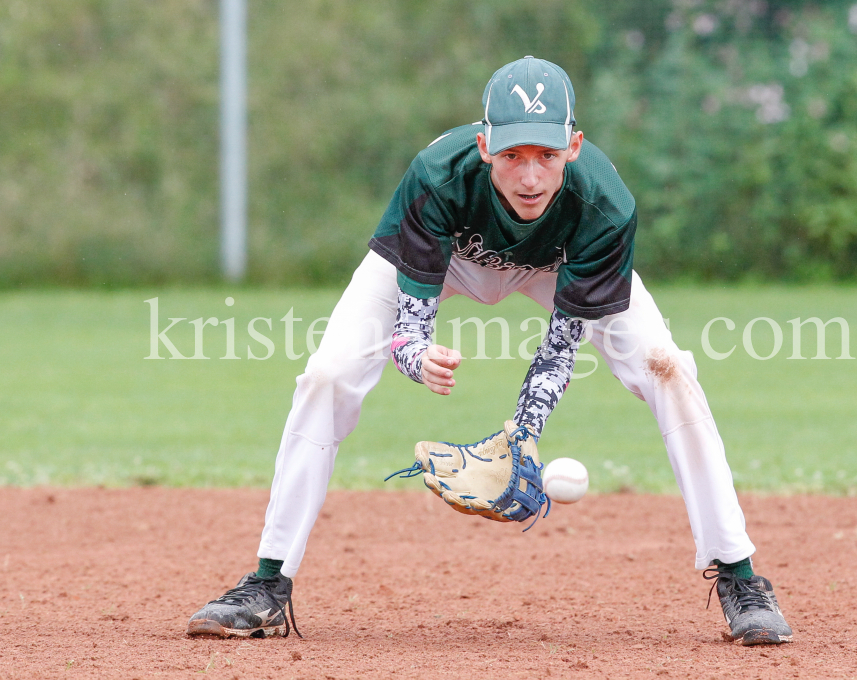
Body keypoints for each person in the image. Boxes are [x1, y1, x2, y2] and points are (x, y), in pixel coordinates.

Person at [186, 56, 793, 646]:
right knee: (326, 374)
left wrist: (523, 435)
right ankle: (267, 584)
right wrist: (414, 357)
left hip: (555, 265)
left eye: (547, 156)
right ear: (484, 147)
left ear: (574, 148)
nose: (530, 177)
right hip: (449, 259)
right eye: (512, 156)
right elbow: (407, 327)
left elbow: (561, 348)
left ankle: (738, 573)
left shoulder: (605, 208)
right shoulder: (437, 175)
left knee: (671, 368)